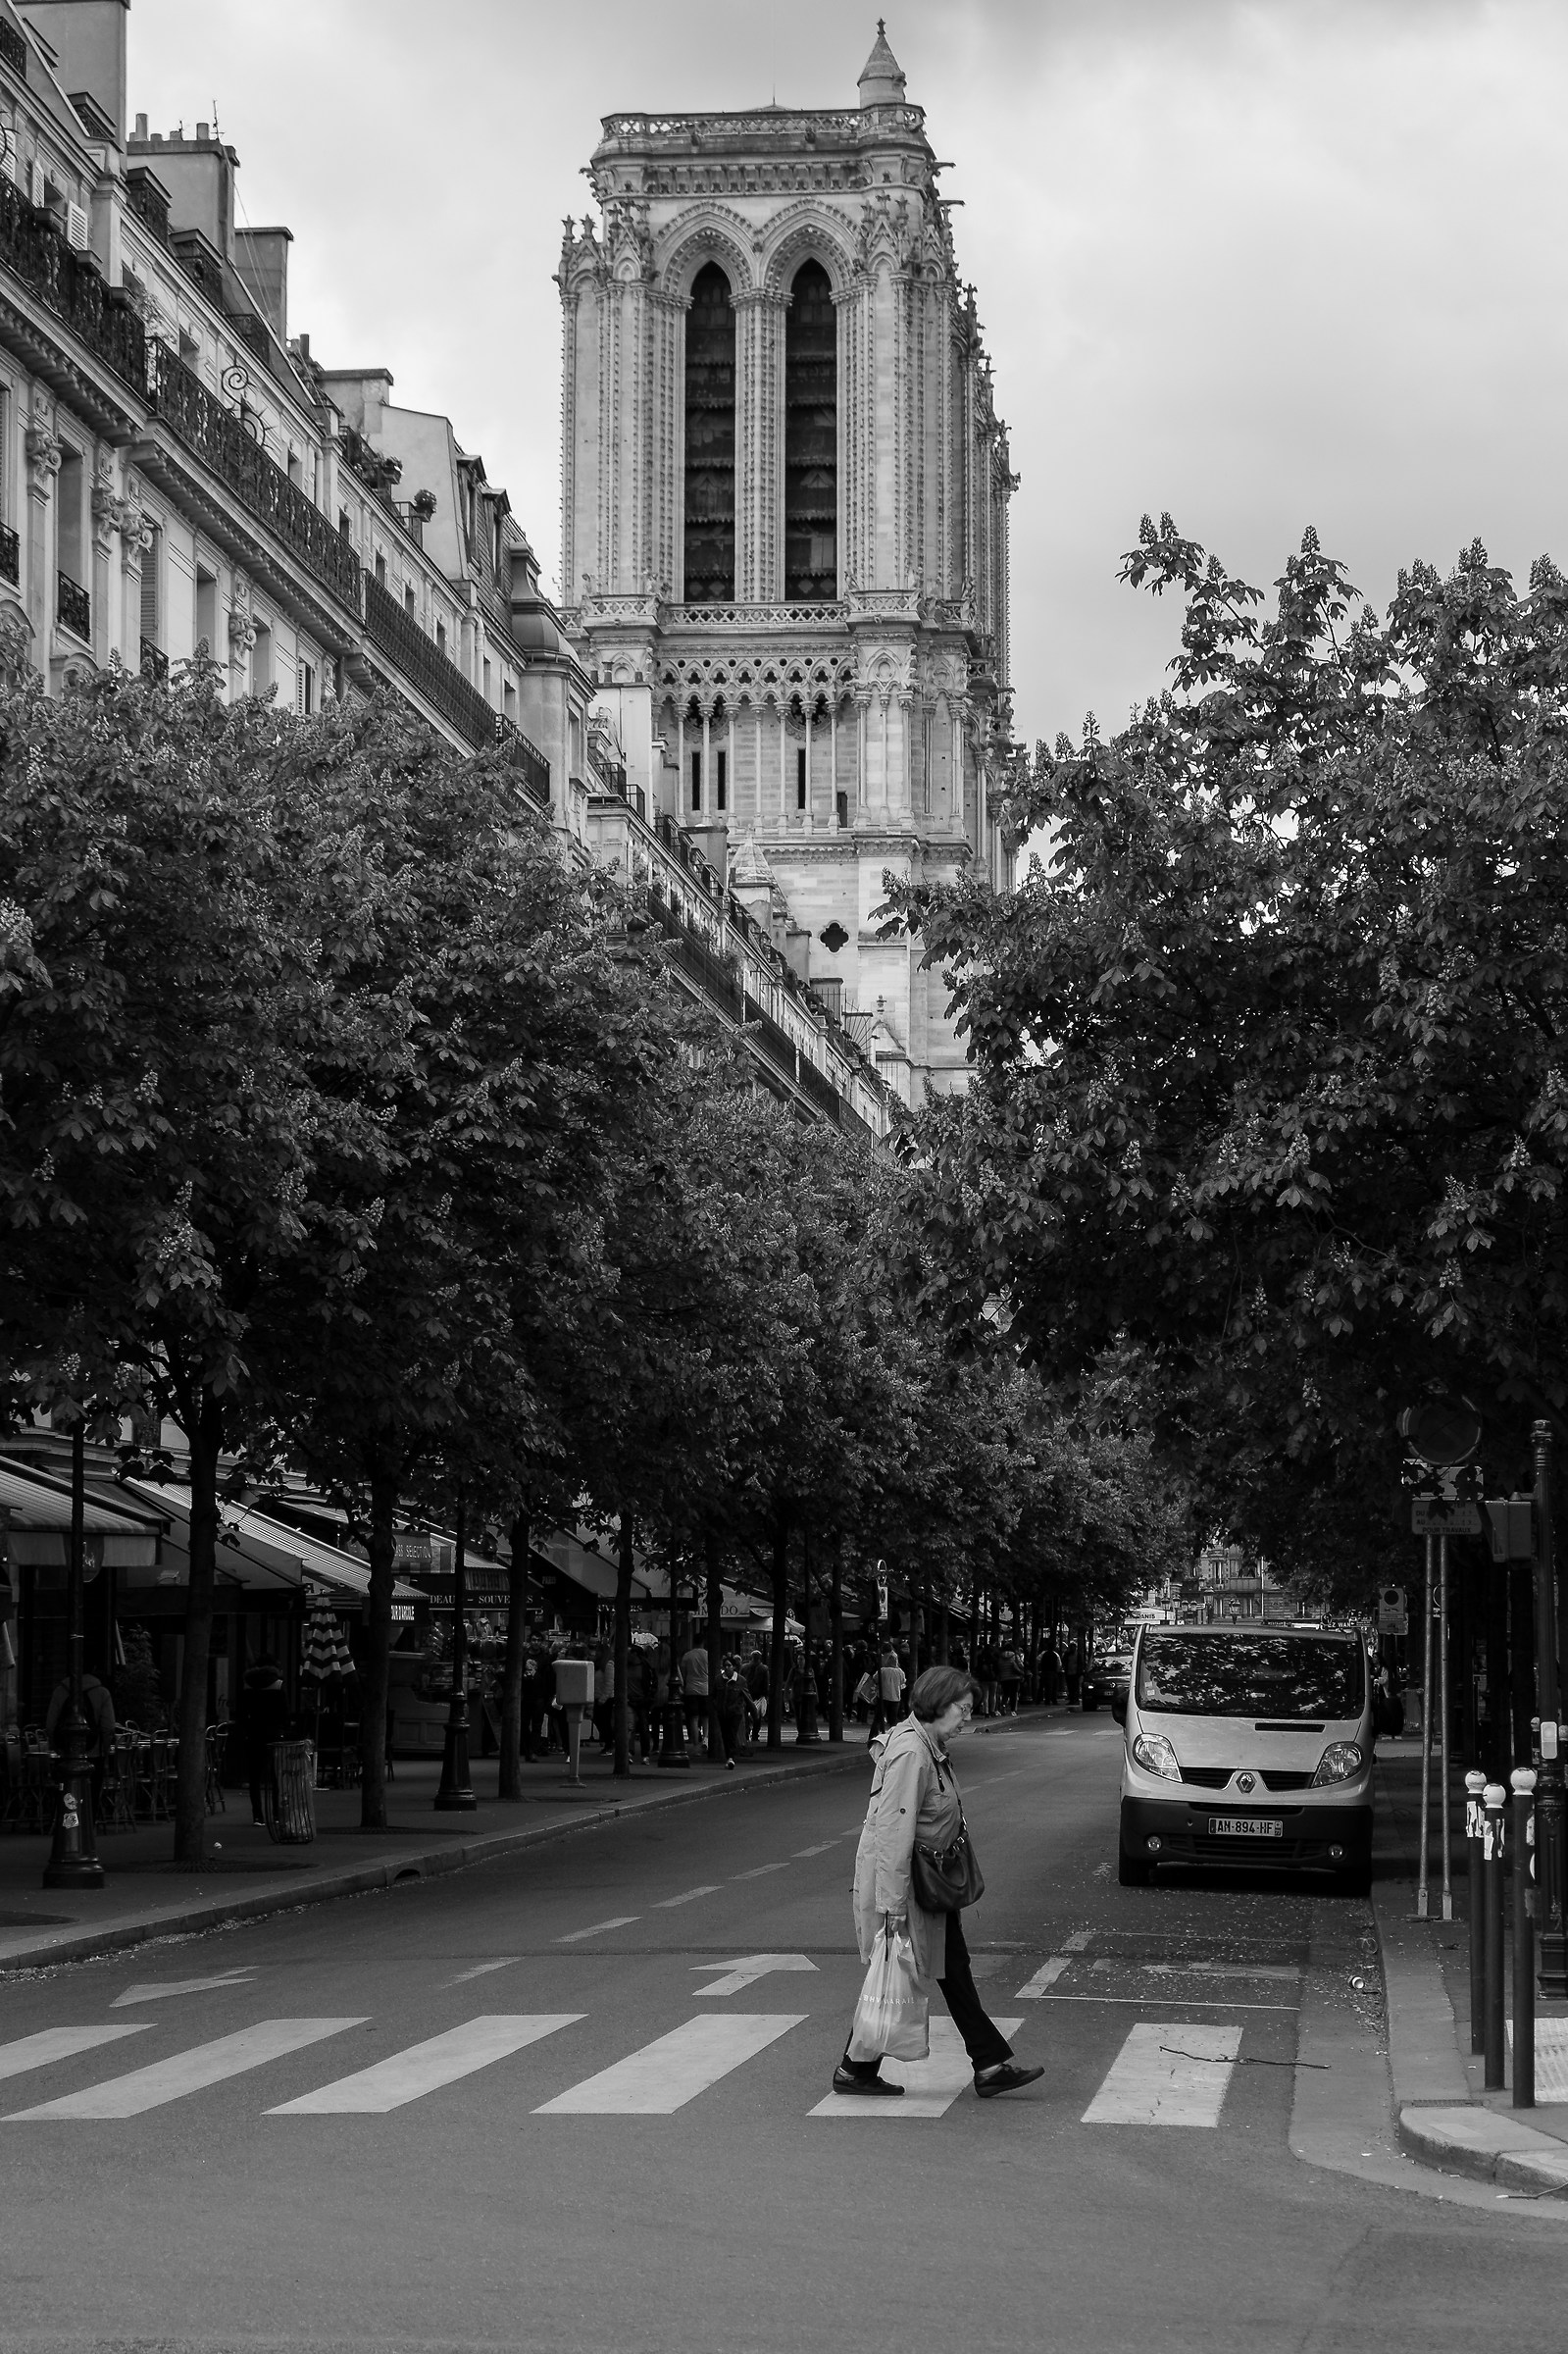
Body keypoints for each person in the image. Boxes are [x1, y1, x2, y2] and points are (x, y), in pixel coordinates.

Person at [835, 1664, 1042, 2101]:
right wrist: (892, 1907)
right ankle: (856, 2068)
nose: (968, 1717)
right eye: (963, 1709)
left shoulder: (928, 1747)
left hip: (928, 1883)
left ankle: (987, 2064)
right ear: (938, 1704)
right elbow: (893, 1833)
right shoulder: (912, 1753)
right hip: (911, 1888)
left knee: (949, 1969)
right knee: (898, 1972)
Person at [44, 1669, 116, 1817]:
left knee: (67, 1794)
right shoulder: (102, 1693)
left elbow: (50, 1725)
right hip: (94, 1752)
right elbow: (108, 1727)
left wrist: (57, 1747)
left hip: (66, 1752)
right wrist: (105, 1749)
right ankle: (88, 1823)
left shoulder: (60, 1691)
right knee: (91, 1795)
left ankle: (69, 1824)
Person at [239, 1661, 287, 1826]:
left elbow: (242, 1714)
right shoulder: (278, 1685)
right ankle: (276, 1814)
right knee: (276, 1775)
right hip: (274, 1733)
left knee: (254, 1776)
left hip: (254, 1734)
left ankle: (258, 1815)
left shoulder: (248, 1685)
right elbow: (284, 1712)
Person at [679, 1634, 709, 1754]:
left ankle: (696, 1744)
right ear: (703, 1642)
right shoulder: (707, 1655)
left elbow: (683, 1674)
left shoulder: (687, 1656)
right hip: (705, 1689)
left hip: (691, 1689)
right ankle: (706, 1740)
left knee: (693, 1718)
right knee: (705, 1717)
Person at [713, 1658, 744, 1769]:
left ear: (734, 1667)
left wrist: (738, 1707)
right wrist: (717, 1706)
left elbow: (744, 1696)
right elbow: (713, 1695)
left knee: (732, 1733)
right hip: (723, 1712)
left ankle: (731, 1757)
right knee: (725, 1735)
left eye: (729, 1665)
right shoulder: (718, 1680)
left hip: (735, 1712)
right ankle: (728, 1757)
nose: (727, 1668)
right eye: (725, 1665)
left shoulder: (740, 1680)